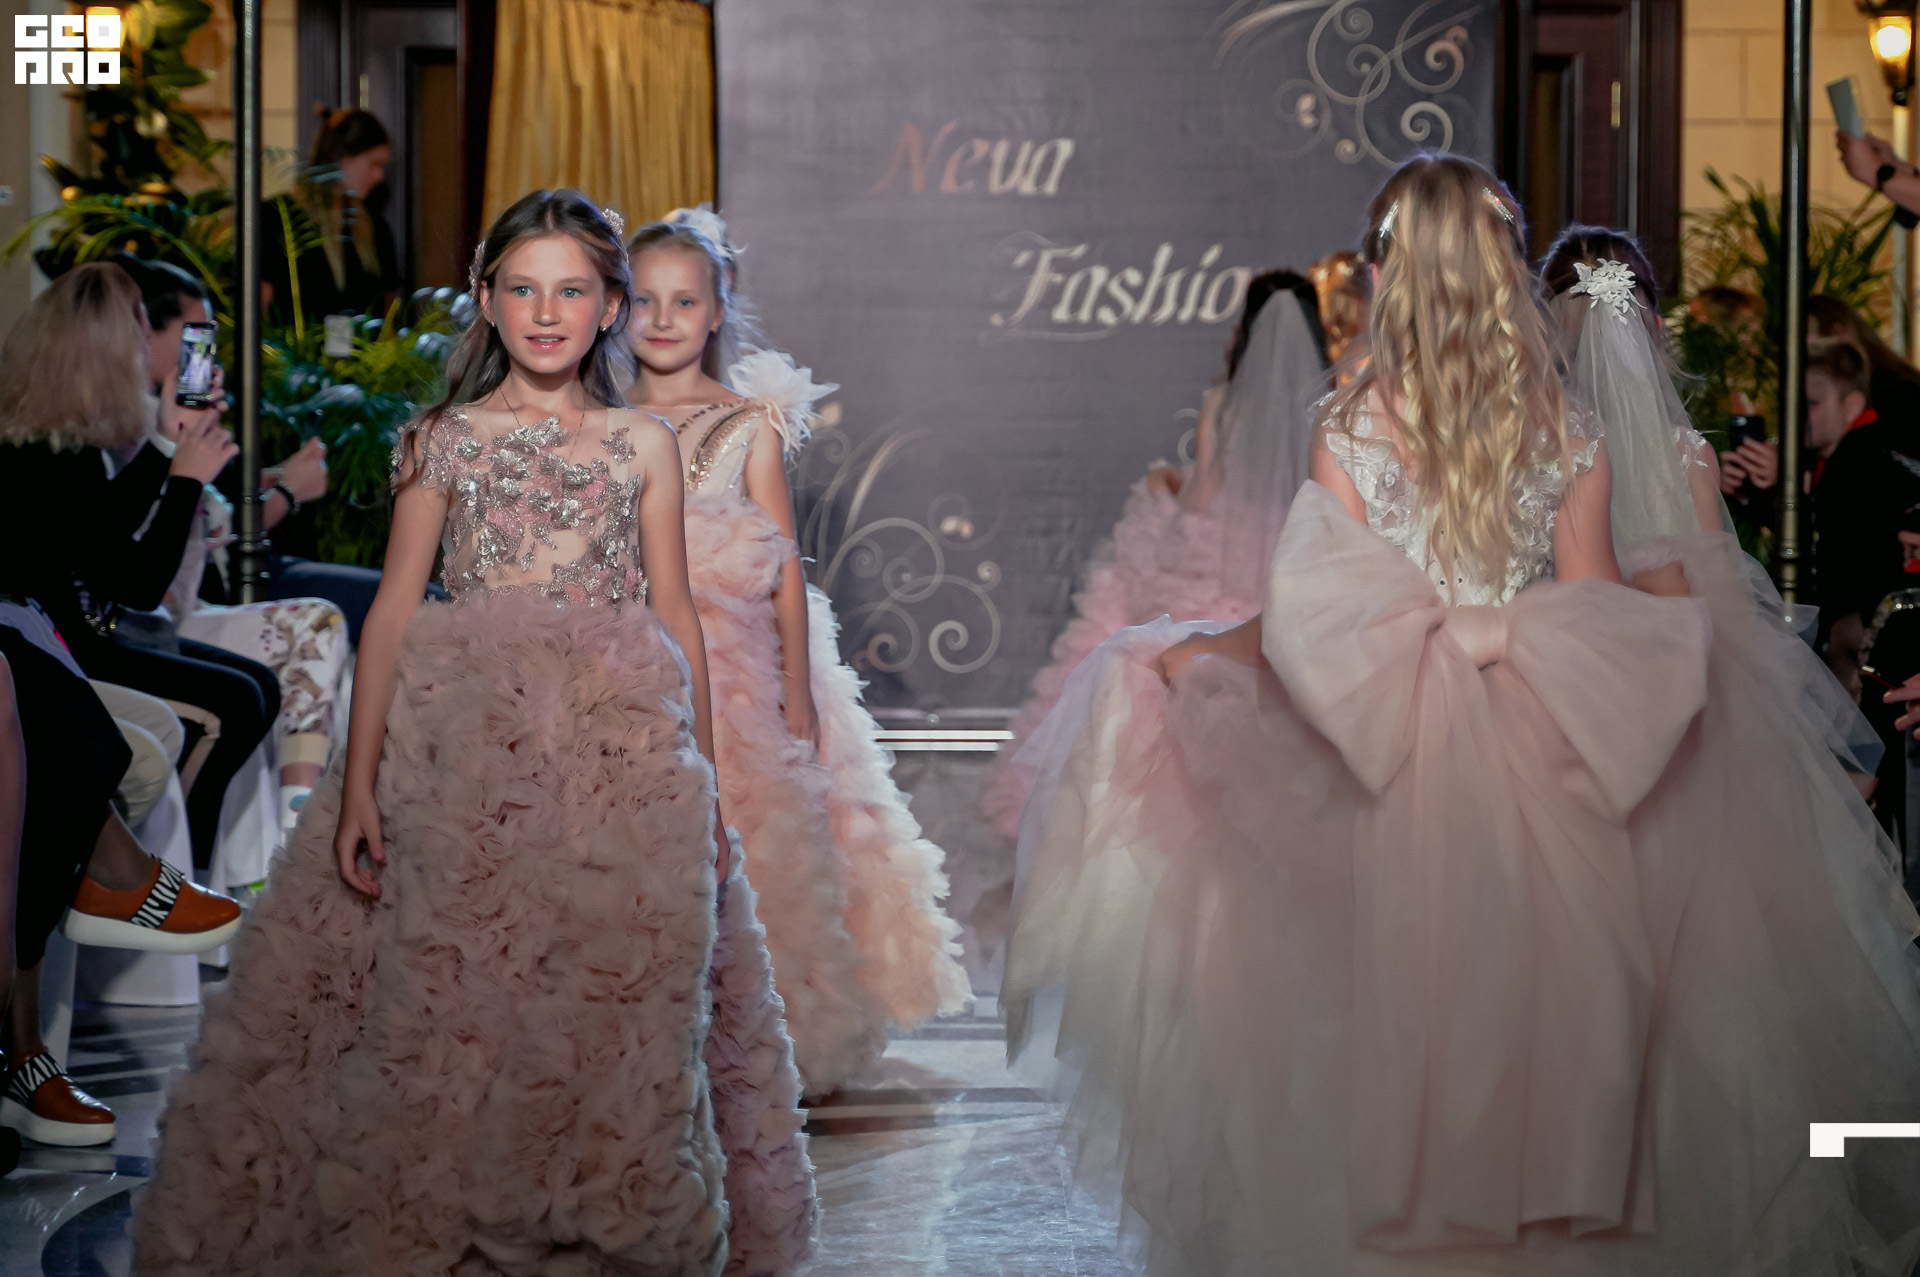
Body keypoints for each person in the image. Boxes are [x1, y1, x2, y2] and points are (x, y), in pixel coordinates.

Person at [1001, 154, 1920, 1275]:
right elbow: (1593, 618)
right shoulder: (1568, 431)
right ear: (1500, 271)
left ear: (1395, 274)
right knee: (1546, 1014)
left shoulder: (1348, 429)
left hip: (1386, 753)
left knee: (1382, 1015)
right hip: (1539, 751)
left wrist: (1199, 653)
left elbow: (1316, 620)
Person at [134, 189, 815, 1275]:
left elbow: (675, 614)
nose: (547, 311)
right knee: (457, 991)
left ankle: (594, 1219)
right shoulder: (441, 441)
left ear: (609, 308)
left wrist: (710, 786)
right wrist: (358, 786)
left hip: (616, 750)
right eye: (523, 288)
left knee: (614, 988)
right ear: (487, 300)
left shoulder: (642, 443)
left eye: (572, 290)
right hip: (464, 750)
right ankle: (446, 1230)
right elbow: (393, 613)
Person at [624, 207, 969, 1097]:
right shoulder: (603, 421)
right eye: (645, 300)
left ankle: (767, 1036)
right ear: (619, 306)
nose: (663, 319)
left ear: (716, 310)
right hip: (629, 658)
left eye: (684, 301)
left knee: (753, 836)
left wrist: (798, 691)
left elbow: (782, 561)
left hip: (736, 664)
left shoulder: (745, 425)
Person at [980, 269, 1338, 843]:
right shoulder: (1333, 408)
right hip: (1291, 557)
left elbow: (1202, 505)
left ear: (1246, 329)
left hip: (1218, 563)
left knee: (1129, 585)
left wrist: (1167, 487)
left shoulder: (1224, 404)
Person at [0, 263, 278, 875]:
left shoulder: (54, 442)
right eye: (137, 333)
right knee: (234, 703)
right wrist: (184, 480)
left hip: (80, 636)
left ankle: (183, 877)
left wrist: (166, 447)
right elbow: (136, 582)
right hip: (56, 654)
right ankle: (170, 880)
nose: (145, 348)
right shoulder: (42, 460)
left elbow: (103, 533)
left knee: (255, 686)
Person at [119, 254, 351, 837]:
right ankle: (297, 834)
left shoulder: (170, 418)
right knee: (316, 626)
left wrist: (274, 480)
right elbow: (161, 535)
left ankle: (305, 824)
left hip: (196, 599)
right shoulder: (133, 426)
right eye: (192, 336)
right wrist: (286, 495)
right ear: (144, 333)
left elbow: (214, 507)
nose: (205, 354)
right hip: (158, 617)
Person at [261, 107, 401, 323]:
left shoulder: (372, 225)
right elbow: (261, 302)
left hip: (360, 344)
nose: (379, 176)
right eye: (374, 164)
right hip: (295, 343)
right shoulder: (282, 217)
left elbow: (386, 308)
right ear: (343, 159)